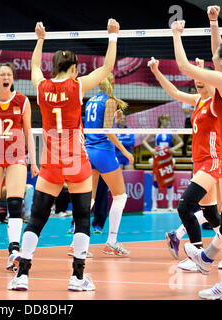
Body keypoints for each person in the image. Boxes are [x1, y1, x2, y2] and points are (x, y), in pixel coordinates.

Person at [8, 19, 119, 292]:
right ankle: (78, 278)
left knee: (36, 219)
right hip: (76, 159)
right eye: (77, 68)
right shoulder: (77, 86)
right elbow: (107, 68)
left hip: (52, 160)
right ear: (73, 69)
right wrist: (113, 37)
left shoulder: (42, 87)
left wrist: (40, 39)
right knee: (82, 218)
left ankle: (22, 275)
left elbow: (34, 67)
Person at [172, 6, 222, 299]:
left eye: (217, 59)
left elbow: (185, 68)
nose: (213, 59)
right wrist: (213, 22)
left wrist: (176, 35)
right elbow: (220, 51)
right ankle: (206, 259)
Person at [148, 56, 222, 272]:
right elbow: (173, 92)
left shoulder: (216, 102)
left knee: (184, 206)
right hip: (199, 162)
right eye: (196, 80)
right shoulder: (198, 100)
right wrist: (156, 72)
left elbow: (216, 84)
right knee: (210, 214)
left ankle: (196, 257)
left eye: (203, 80)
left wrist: (201, 69)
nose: (199, 83)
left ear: (211, 80)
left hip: (213, 161)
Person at [0, 62, 39, 271]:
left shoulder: (22, 101)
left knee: (14, 204)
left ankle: (13, 251)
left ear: (12, 79)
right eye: (2, 74)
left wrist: (33, 161)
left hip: (16, 156)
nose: (6, 77)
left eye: (9, 74)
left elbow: (28, 131)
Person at [83, 72, 134, 256]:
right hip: (104, 152)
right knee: (120, 196)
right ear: (112, 83)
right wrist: (125, 151)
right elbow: (108, 131)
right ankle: (111, 242)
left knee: (89, 198)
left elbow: (97, 125)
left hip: (89, 150)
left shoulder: (90, 101)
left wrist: (114, 120)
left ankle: (77, 245)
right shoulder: (110, 101)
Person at [142, 114, 183, 211]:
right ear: (161, 120)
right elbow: (144, 141)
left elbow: (181, 142)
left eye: (168, 120)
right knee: (156, 181)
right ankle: (154, 205)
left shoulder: (171, 131)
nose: (168, 122)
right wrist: (151, 150)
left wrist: (173, 148)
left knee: (169, 180)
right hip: (158, 159)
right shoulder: (156, 131)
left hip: (168, 159)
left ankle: (170, 206)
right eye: (166, 120)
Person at [181, 86, 197, 157]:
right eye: (192, 91)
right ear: (189, 92)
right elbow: (185, 110)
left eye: (194, 91)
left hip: (196, 120)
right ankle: (183, 153)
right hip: (188, 120)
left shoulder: (198, 98)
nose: (193, 92)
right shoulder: (186, 99)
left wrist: (190, 110)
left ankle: (196, 153)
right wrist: (194, 110)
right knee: (185, 137)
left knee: (197, 136)